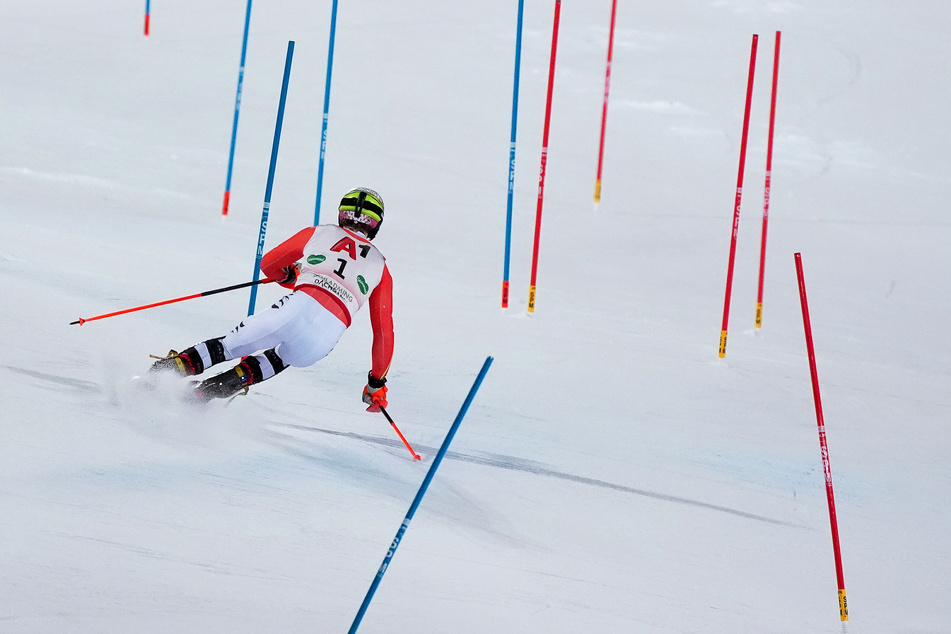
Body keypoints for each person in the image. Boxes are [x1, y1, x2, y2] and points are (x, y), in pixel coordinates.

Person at [150, 187, 393, 409]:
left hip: (294, 309)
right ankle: (206, 393)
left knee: (228, 346)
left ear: (342, 214)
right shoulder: (380, 267)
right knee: (280, 357)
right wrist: (375, 384)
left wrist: (289, 277)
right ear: (375, 225)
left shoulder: (321, 232)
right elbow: (383, 334)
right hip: (322, 341)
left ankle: (160, 376)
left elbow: (269, 264)